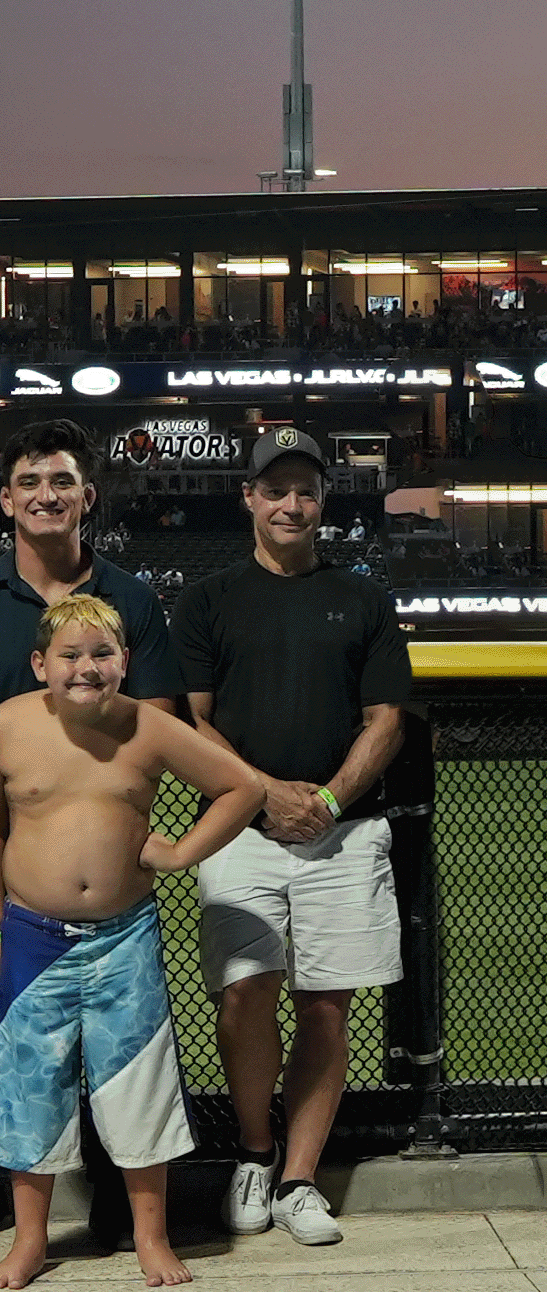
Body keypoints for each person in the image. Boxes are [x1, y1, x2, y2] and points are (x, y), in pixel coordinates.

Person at [0, 418, 184, 1251]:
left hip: (107, 882)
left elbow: (161, 720)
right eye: (30, 482)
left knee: (118, 1039)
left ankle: (115, 1208)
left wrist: (120, 821)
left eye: (61, 481)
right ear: (6, 500)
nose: (46, 495)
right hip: (8, 868)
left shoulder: (130, 599)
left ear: (86, 496)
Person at [0, 595, 262, 1290]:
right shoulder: (5, 727)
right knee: (30, 1085)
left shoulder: (149, 728)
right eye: (69, 655)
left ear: (124, 662)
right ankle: (31, 1240)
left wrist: (184, 852)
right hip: (31, 935)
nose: (86, 668)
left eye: (102, 654)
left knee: (138, 1085)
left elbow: (241, 787)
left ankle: (150, 1235)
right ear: (40, 664)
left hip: (123, 937)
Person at [172, 427, 412, 1245]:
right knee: (243, 993)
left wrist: (329, 802)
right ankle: (254, 1150)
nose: (292, 504)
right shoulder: (207, 600)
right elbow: (192, 724)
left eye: (306, 490)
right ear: (249, 497)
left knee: (326, 1007)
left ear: (322, 502)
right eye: (276, 489)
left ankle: (300, 1179)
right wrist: (267, 794)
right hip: (239, 828)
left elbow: (386, 721)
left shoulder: (363, 597)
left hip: (342, 835)